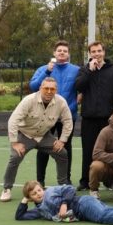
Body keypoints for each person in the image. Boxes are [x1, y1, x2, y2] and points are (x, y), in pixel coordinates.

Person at [0, 78, 73, 202]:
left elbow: (68, 121)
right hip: (25, 134)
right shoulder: (29, 100)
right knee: (15, 157)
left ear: (56, 90)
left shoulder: (61, 102)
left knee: (62, 153)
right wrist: (15, 142)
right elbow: (13, 120)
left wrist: (62, 140)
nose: (49, 91)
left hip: (43, 135)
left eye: (52, 89)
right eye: (46, 88)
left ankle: (63, 186)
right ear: (40, 88)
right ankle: (7, 188)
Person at [75, 41, 113, 191]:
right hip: (89, 118)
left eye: (99, 51)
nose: (97, 54)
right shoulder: (84, 70)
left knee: (109, 150)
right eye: (93, 51)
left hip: (107, 119)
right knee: (88, 150)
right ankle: (85, 181)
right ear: (90, 54)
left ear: (104, 52)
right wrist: (89, 71)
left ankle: (109, 181)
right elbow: (78, 86)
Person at [29, 41, 79, 189]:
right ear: (54, 53)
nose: (62, 52)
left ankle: (66, 179)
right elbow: (33, 86)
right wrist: (47, 71)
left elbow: (82, 90)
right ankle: (40, 180)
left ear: (68, 54)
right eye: (59, 50)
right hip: (46, 116)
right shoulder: (44, 69)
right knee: (43, 147)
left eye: (65, 51)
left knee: (66, 147)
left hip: (68, 116)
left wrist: (71, 107)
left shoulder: (76, 70)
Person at [15, 181, 113, 225]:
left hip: (83, 204)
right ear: (30, 198)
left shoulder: (50, 192)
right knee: (111, 211)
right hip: (83, 214)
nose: (38, 194)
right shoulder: (40, 210)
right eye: (33, 194)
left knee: (103, 217)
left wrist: (64, 204)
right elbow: (20, 216)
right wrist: (24, 201)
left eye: (39, 190)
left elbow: (69, 189)